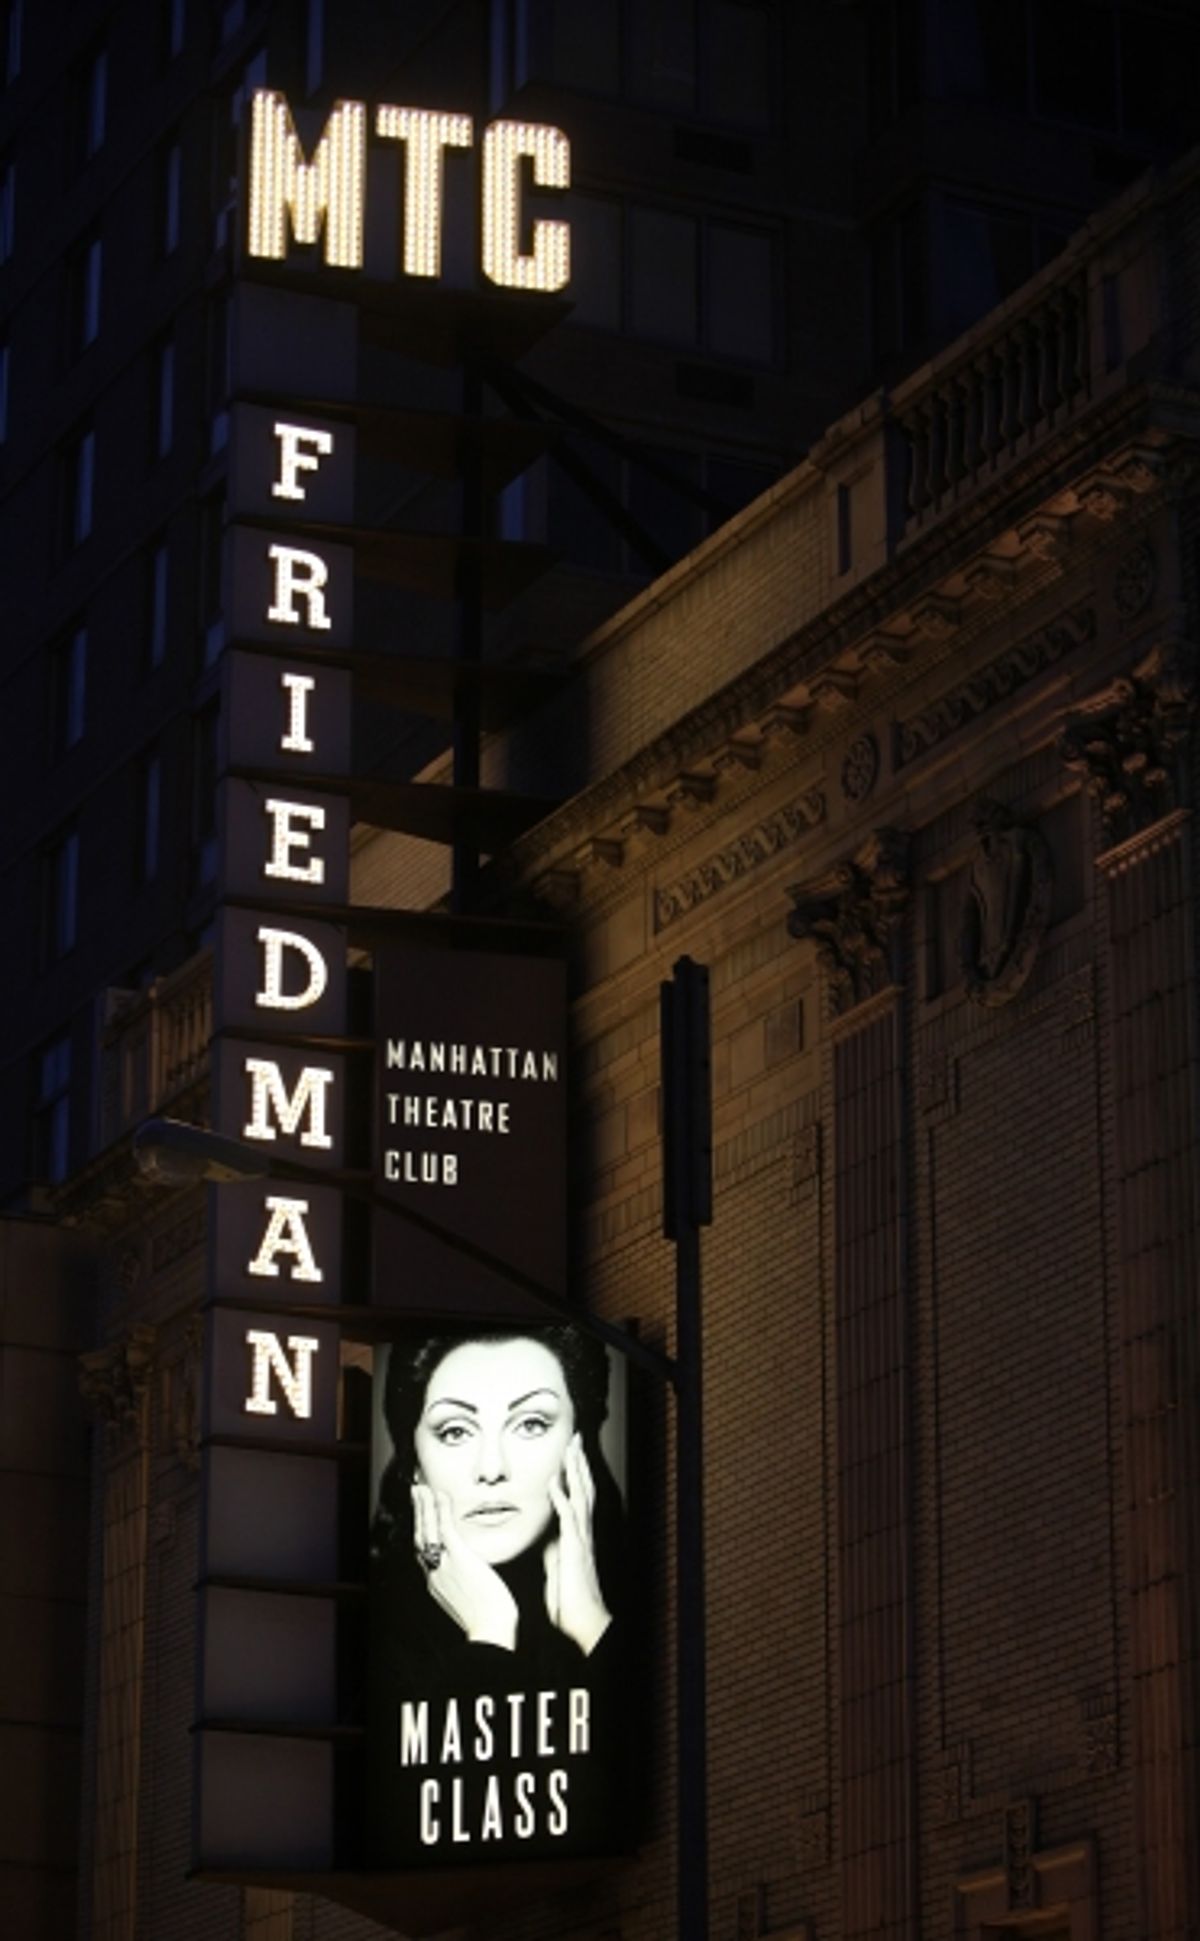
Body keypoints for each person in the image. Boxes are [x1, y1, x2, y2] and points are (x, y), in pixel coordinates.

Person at [368, 1323, 629, 1860]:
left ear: (578, 1441)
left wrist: (589, 1621)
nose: (492, 1470)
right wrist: (489, 1631)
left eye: (530, 1423)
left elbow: (609, 1800)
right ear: (412, 1457)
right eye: (455, 1432)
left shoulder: (624, 1593)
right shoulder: (368, 1649)